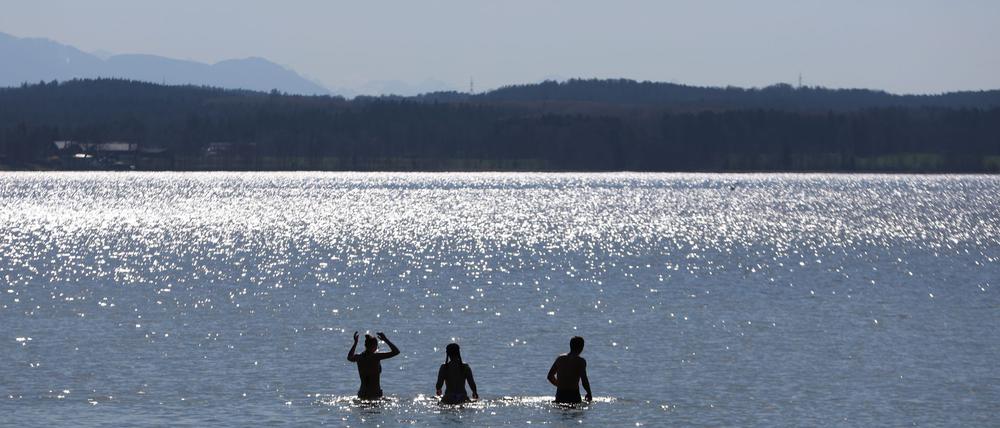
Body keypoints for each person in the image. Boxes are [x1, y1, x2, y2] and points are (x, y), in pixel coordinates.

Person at [347, 331, 400, 399]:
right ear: (374, 346)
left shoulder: (359, 357)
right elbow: (396, 352)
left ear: (365, 346)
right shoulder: (376, 357)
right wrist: (385, 339)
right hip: (375, 394)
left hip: (362, 393)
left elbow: (349, 357)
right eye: (377, 346)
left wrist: (355, 343)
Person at [547, 336, 592, 404]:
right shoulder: (580, 361)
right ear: (582, 347)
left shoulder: (560, 358)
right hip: (573, 395)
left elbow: (550, 376)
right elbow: (584, 380)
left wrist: (560, 385)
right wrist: (589, 393)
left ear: (570, 346)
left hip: (560, 394)